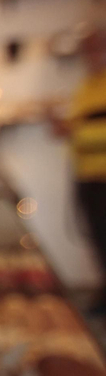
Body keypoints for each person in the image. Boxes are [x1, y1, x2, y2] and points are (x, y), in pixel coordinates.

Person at [58, 28, 106, 313]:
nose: (90, 56)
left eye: (95, 49)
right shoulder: (87, 86)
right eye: (87, 51)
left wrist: (74, 132)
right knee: (97, 239)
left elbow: (88, 129)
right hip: (87, 175)